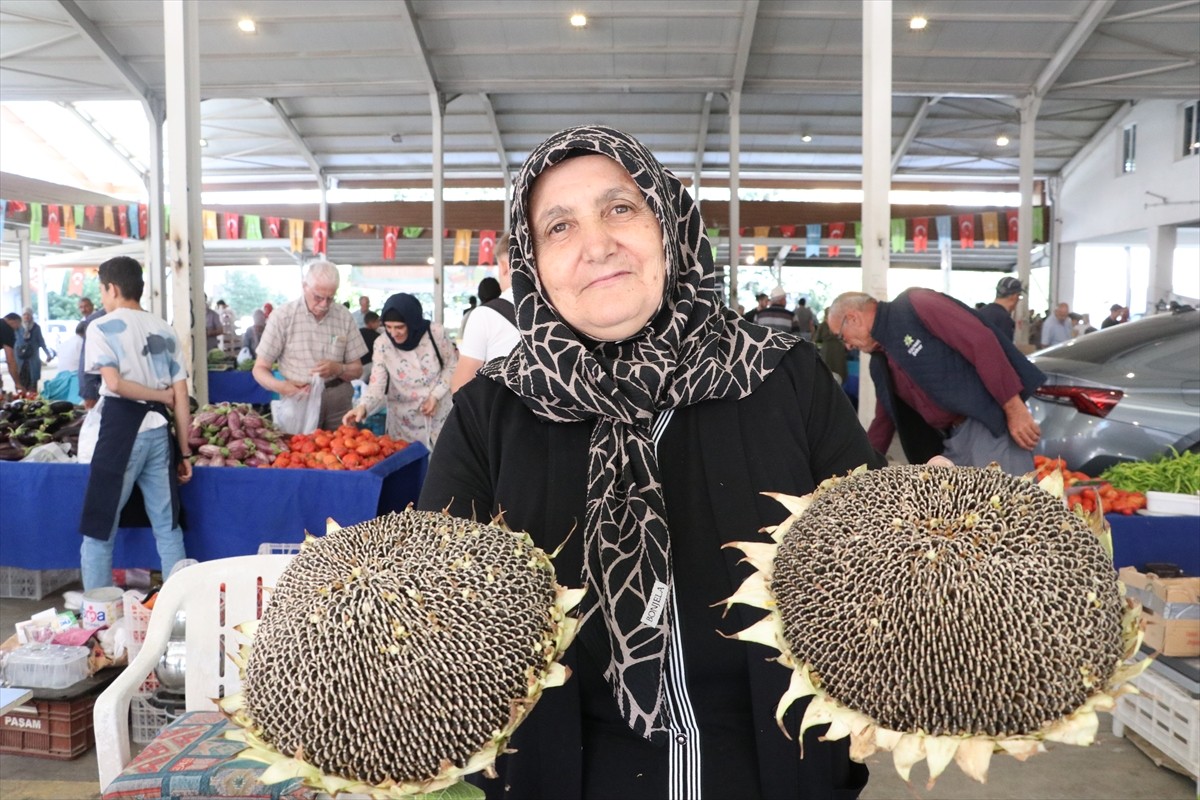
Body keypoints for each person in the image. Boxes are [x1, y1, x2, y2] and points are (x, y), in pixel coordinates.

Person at [416, 125, 883, 800]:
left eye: (620, 208)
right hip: (558, 774)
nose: (597, 244)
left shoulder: (784, 378)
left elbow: (877, 562)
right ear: (532, 263)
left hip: (779, 765)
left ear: (669, 224)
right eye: (559, 227)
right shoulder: (493, 411)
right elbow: (431, 612)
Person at [829, 289, 1045, 474]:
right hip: (951, 440)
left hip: (987, 423)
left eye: (841, 336)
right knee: (964, 508)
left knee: (1009, 502)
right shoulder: (879, 363)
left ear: (853, 318)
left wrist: (1014, 408)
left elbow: (980, 342)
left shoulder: (915, 304)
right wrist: (860, 470)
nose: (847, 346)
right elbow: (884, 421)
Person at [78, 256, 192, 591]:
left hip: (120, 432)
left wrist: (159, 396)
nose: (102, 298)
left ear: (112, 288)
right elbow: (181, 396)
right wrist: (184, 452)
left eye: (102, 290)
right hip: (160, 432)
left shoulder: (100, 327)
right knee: (168, 528)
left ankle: (98, 612)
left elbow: (113, 384)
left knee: (99, 529)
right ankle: (179, 608)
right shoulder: (164, 328)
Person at [252, 260, 368, 431]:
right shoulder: (282, 317)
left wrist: (338, 369)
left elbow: (357, 370)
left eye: (330, 298)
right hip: (299, 398)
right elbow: (260, 369)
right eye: (318, 297)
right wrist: (282, 387)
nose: (324, 305)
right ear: (304, 286)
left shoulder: (343, 316)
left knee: (343, 445)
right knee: (299, 446)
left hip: (338, 398)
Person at [342, 293, 456, 447]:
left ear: (412, 321)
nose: (393, 333)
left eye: (399, 327)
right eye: (388, 327)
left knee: (441, 458)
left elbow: (452, 366)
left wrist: (435, 396)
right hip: (403, 422)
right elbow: (377, 385)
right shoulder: (383, 344)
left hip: (439, 414)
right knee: (407, 458)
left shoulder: (435, 333)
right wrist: (363, 406)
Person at [450, 232, 519, 392]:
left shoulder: (485, 316)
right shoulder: (565, 308)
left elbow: (461, 387)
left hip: (504, 407)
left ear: (504, 267)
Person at [77, 297, 105, 409]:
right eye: (81, 307)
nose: (84, 309)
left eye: (86, 306)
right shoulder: (85, 321)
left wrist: (89, 393)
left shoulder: (95, 320)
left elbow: (88, 358)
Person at [15, 307, 53, 390]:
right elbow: (12, 342)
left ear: (31, 316)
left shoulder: (36, 328)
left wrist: (48, 354)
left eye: (28, 314)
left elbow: (41, 342)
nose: (26, 316)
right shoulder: (18, 328)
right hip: (20, 360)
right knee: (20, 384)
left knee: (32, 384)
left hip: (32, 359)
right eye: (24, 314)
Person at [815, 307, 848, 385]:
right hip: (837, 349)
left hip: (828, 350)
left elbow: (817, 339)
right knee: (837, 370)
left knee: (829, 371)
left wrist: (819, 348)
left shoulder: (823, 325)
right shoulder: (840, 324)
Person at [1, 313, 24, 393]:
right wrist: (18, 383)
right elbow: (10, 360)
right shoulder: (7, 329)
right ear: (14, 321)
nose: (17, 329)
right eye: (18, 326)